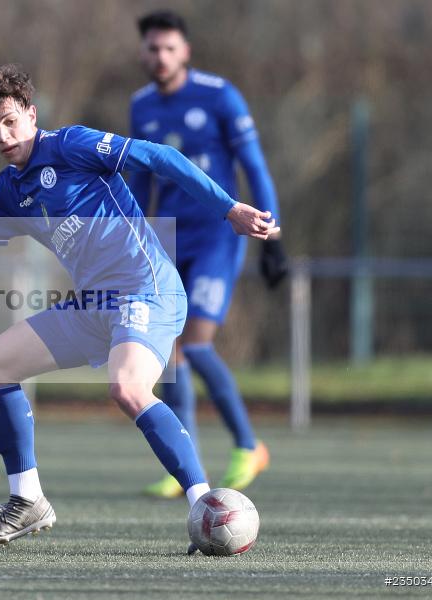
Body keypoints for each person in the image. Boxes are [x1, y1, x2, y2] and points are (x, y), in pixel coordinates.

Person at [0, 64, 277, 550]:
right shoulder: (11, 192)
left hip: (148, 291)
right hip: (93, 305)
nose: (2, 135)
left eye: (11, 122)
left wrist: (229, 208)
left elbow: (160, 156)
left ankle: (203, 504)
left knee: (127, 387)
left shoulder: (71, 145)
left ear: (31, 115)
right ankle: (28, 500)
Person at [130, 11, 287, 499]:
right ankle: (187, 466)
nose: (160, 57)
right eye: (153, 48)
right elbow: (137, 183)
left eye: (169, 48)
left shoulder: (220, 96)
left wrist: (273, 234)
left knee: (195, 344)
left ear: (186, 51)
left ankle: (247, 445)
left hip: (219, 235)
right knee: (172, 355)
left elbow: (253, 166)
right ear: (145, 52)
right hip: (168, 241)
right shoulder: (141, 106)